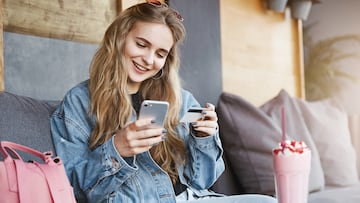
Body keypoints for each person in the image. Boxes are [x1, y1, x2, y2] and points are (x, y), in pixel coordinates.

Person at [50, 1, 277, 203]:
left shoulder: (181, 100)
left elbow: (201, 181)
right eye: (141, 44)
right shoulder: (79, 102)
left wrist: (204, 139)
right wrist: (117, 150)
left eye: (160, 54)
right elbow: (72, 188)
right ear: (119, 38)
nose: (149, 60)